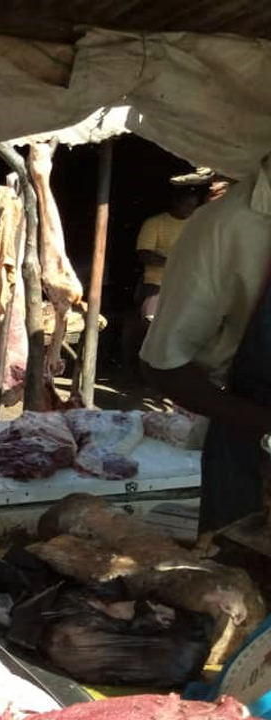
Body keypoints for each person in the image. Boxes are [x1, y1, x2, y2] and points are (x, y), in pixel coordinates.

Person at [140, 155, 271, 534]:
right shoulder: (227, 225)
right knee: (239, 586)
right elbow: (162, 364)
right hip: (253, 451)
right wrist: (262, 424)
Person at [134, 185, 201, 320]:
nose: (191, 209)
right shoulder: (155, 223)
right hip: (158, 282)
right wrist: (174, 262)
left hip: (189, 282)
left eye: (193, 206)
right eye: (187, 205)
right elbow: (144, 254)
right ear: (176, 202)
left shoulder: (197, 224)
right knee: (151, 320)